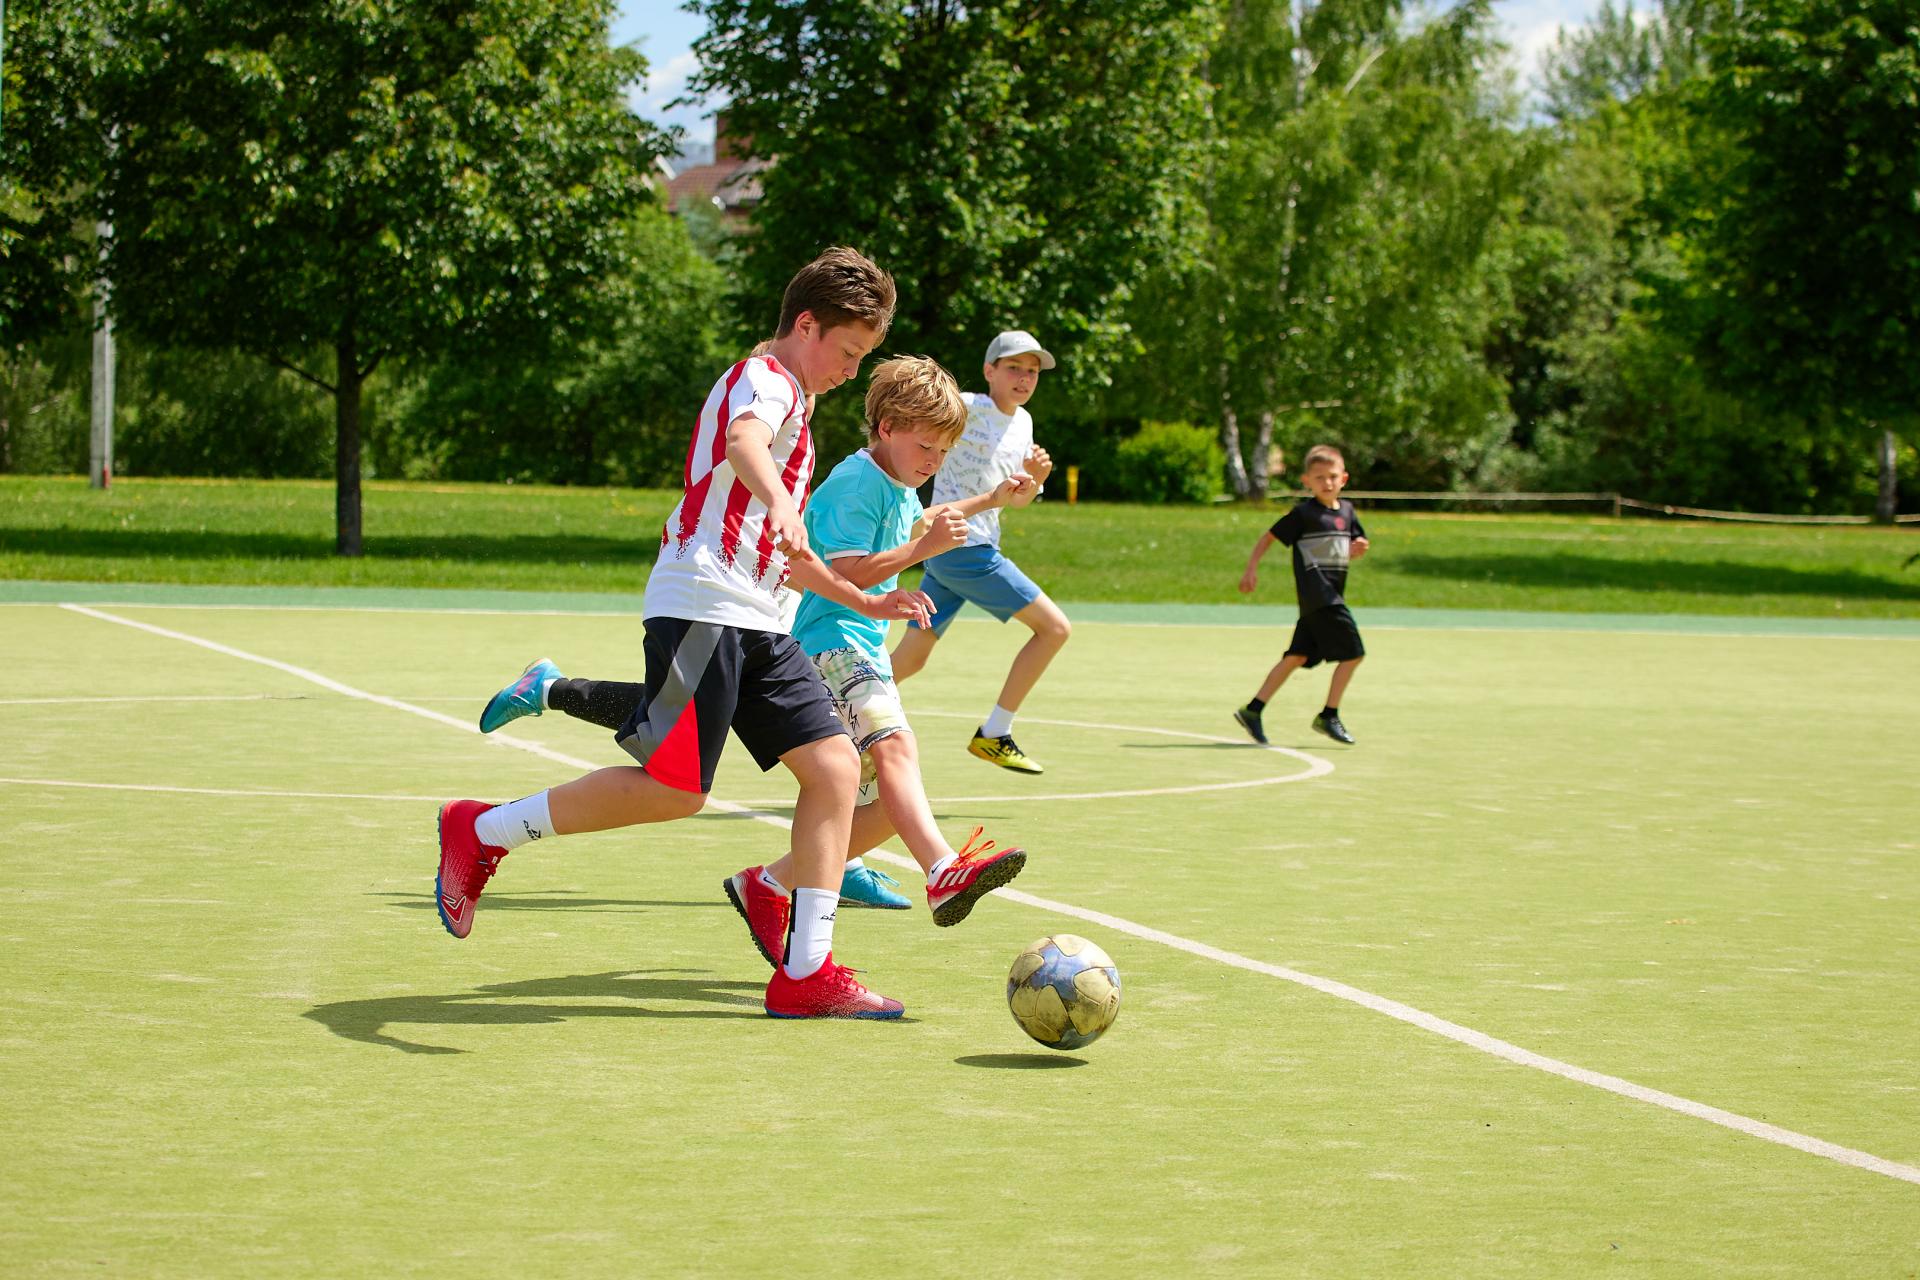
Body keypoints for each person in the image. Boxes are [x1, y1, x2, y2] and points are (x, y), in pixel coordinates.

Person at [434, 246, 931, 1021]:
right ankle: (482, 828)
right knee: (675, 791)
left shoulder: (799, 409)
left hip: (760, 618)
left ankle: (806, 972)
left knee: (836, 769)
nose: (850, 369)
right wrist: (781, 500)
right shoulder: (764, 380)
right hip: (705, 603)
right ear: (806, 325)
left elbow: (789, 552)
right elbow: (743, 443)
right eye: (848, 350)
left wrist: (862, 602)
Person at [478, 356, 1036, 964]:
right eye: (926, 446)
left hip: (789, 630)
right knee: (880, 754)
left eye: (942, 452)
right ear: (886, 426)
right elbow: (845, 567)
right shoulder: (850, 475)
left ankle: (773, 883)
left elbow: (915, 523)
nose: (934, 461)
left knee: (869, 797)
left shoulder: (895, 483)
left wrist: (989, 500)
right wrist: (912, 559)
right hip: (817, 636)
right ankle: (939, 870)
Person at [888, 329, 1064, 775]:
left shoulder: (1023, 423)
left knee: (912, 658)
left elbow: (1017, 500)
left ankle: (836, 708)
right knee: (1054, 629)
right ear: (989, 371)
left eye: (1032, 371)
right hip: (964, 548)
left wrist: (1036, 480)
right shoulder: (966, 407)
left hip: (957, 548)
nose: (1024, 378)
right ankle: (995, 733)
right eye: (1014, 368)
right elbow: (916, 429)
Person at [1232, 444, 1369, 746]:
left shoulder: (1347, 512)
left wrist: (1357, 549)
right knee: (1354, 654)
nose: (1327, 483)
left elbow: (1350, 547)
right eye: (1319, 478)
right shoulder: (1304, 514)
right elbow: (1268, 538)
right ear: (1307, 481)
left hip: (1324, 599)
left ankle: (1253, 710)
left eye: (1332, 476)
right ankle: (1329, 715)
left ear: (1344, 478)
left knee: (1297, 656)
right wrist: (1251, 569)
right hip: (1322, 598)